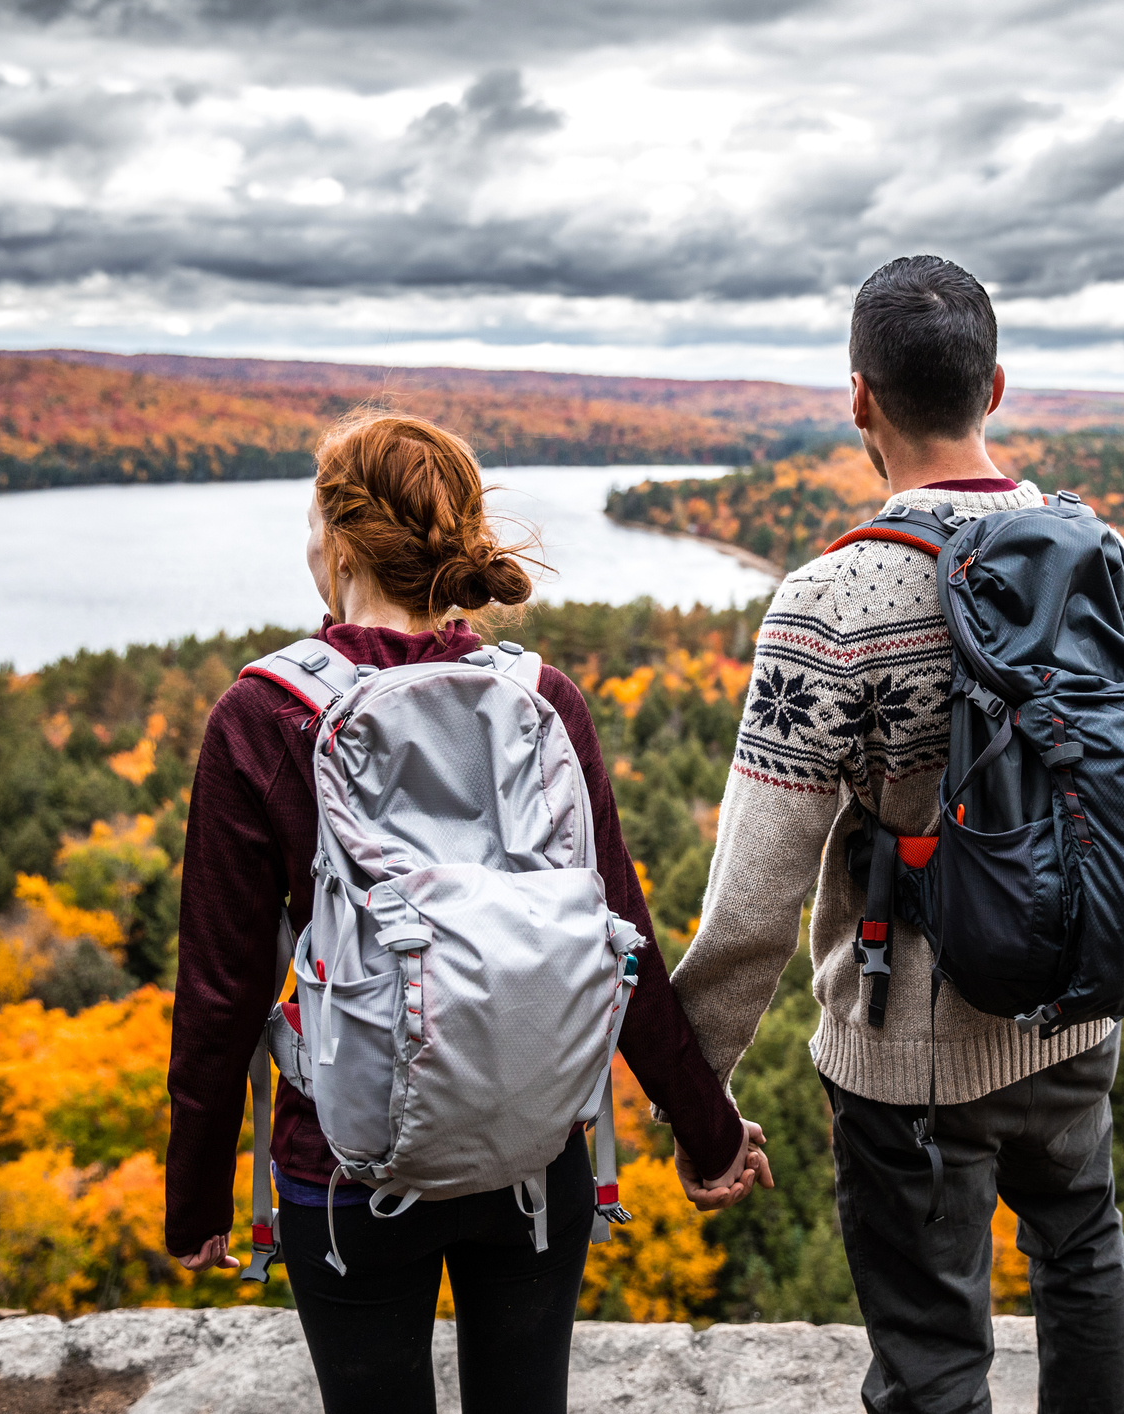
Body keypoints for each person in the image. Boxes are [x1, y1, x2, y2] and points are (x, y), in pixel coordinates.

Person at [163, 411, 769, 1414]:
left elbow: (222, 989)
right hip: (532, 1156)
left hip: (345, 1172)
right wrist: (708, 1135)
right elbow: (619, 939)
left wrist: (197, 1199)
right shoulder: (542, 697)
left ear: (340, 539)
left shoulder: (265, 715)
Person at [671, 257, 1124, 1413]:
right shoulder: (1095, 554)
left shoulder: (831, 604)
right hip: (1077, 997)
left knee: (934, 1355)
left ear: (860, 399)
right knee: (1083, 1253)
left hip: (911, 1045)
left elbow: (753, 898)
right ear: (996, 387)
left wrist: (695, 1094)